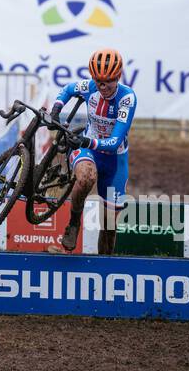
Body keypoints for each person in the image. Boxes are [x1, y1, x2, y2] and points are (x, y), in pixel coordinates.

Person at [47, 49, 135, 255]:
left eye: (108, 82)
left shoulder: (127, 98)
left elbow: (114, 142)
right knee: (86, 177)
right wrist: (56, 109)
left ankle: (104, 267)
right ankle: (74, 223)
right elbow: (68, 89)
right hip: (89, 150)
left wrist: (88, 140)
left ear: (118, 77)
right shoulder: (89, 86)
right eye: (98, 81)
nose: (103, 87)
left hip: (115, 161)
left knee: (109, 227)